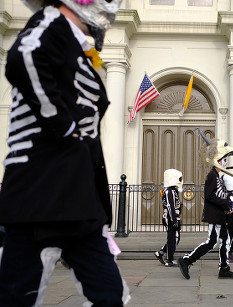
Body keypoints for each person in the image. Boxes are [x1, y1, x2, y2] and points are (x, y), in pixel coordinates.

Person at [0, 0, 130, 305]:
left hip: (78, 199)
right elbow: (24, 57)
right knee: (17, 297)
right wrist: (65, 127)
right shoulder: (50, 23)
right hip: (39, 190)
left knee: (110, 295)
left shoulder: (76, 46)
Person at [178, 138, 233, 280]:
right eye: (224, 159)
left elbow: (218, 195)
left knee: (225, 241)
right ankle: (187, 260)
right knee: (211, 242)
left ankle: (224, 268)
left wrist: (229, 205)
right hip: (215, 216)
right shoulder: (212, 176)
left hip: (221, 215)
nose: (226, 162)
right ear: (218, 160)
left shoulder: (217, 176)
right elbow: (210, 196)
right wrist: (227, 204)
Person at [155, 169, 183, 267]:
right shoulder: (169, 191)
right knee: (173, 238)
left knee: (175, 237)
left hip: (172, 217)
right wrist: (174, 219)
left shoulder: (171, 191)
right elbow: (170, 206)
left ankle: (162, 253)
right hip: (170, 217)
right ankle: (169, 260)